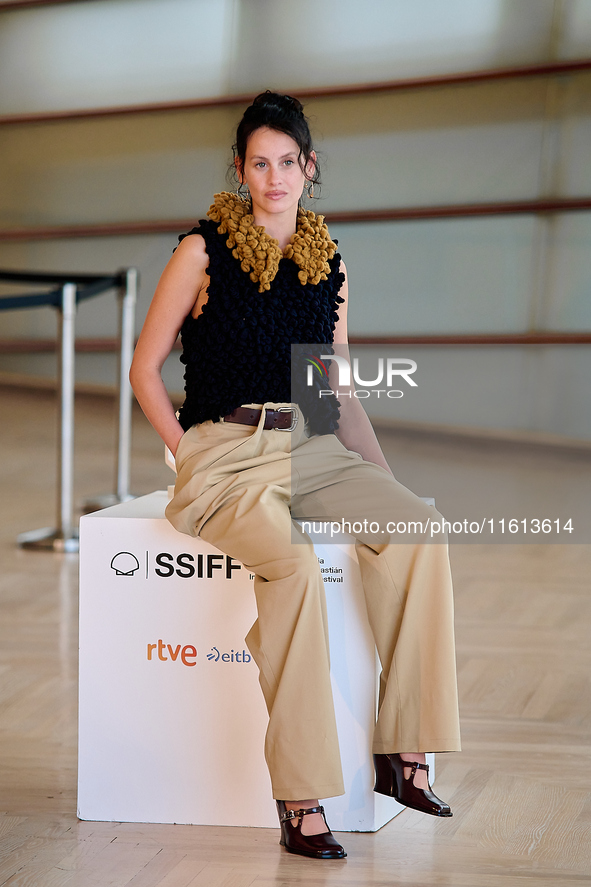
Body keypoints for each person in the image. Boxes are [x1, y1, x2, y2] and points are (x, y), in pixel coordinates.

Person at [130, 91, 461, 860]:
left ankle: (401, 751)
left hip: (311, 445)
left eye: (288, 162)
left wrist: (390, 486)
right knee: (293, 565)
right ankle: (298, 792)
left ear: (309, 170)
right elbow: (146, 370)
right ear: (240, 170)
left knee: (420, 529)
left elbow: (333, 393)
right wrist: (187, 453)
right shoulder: (202, 249)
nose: (274, 177)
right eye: (259, 162)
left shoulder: (328, 264)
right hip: (225, 447)